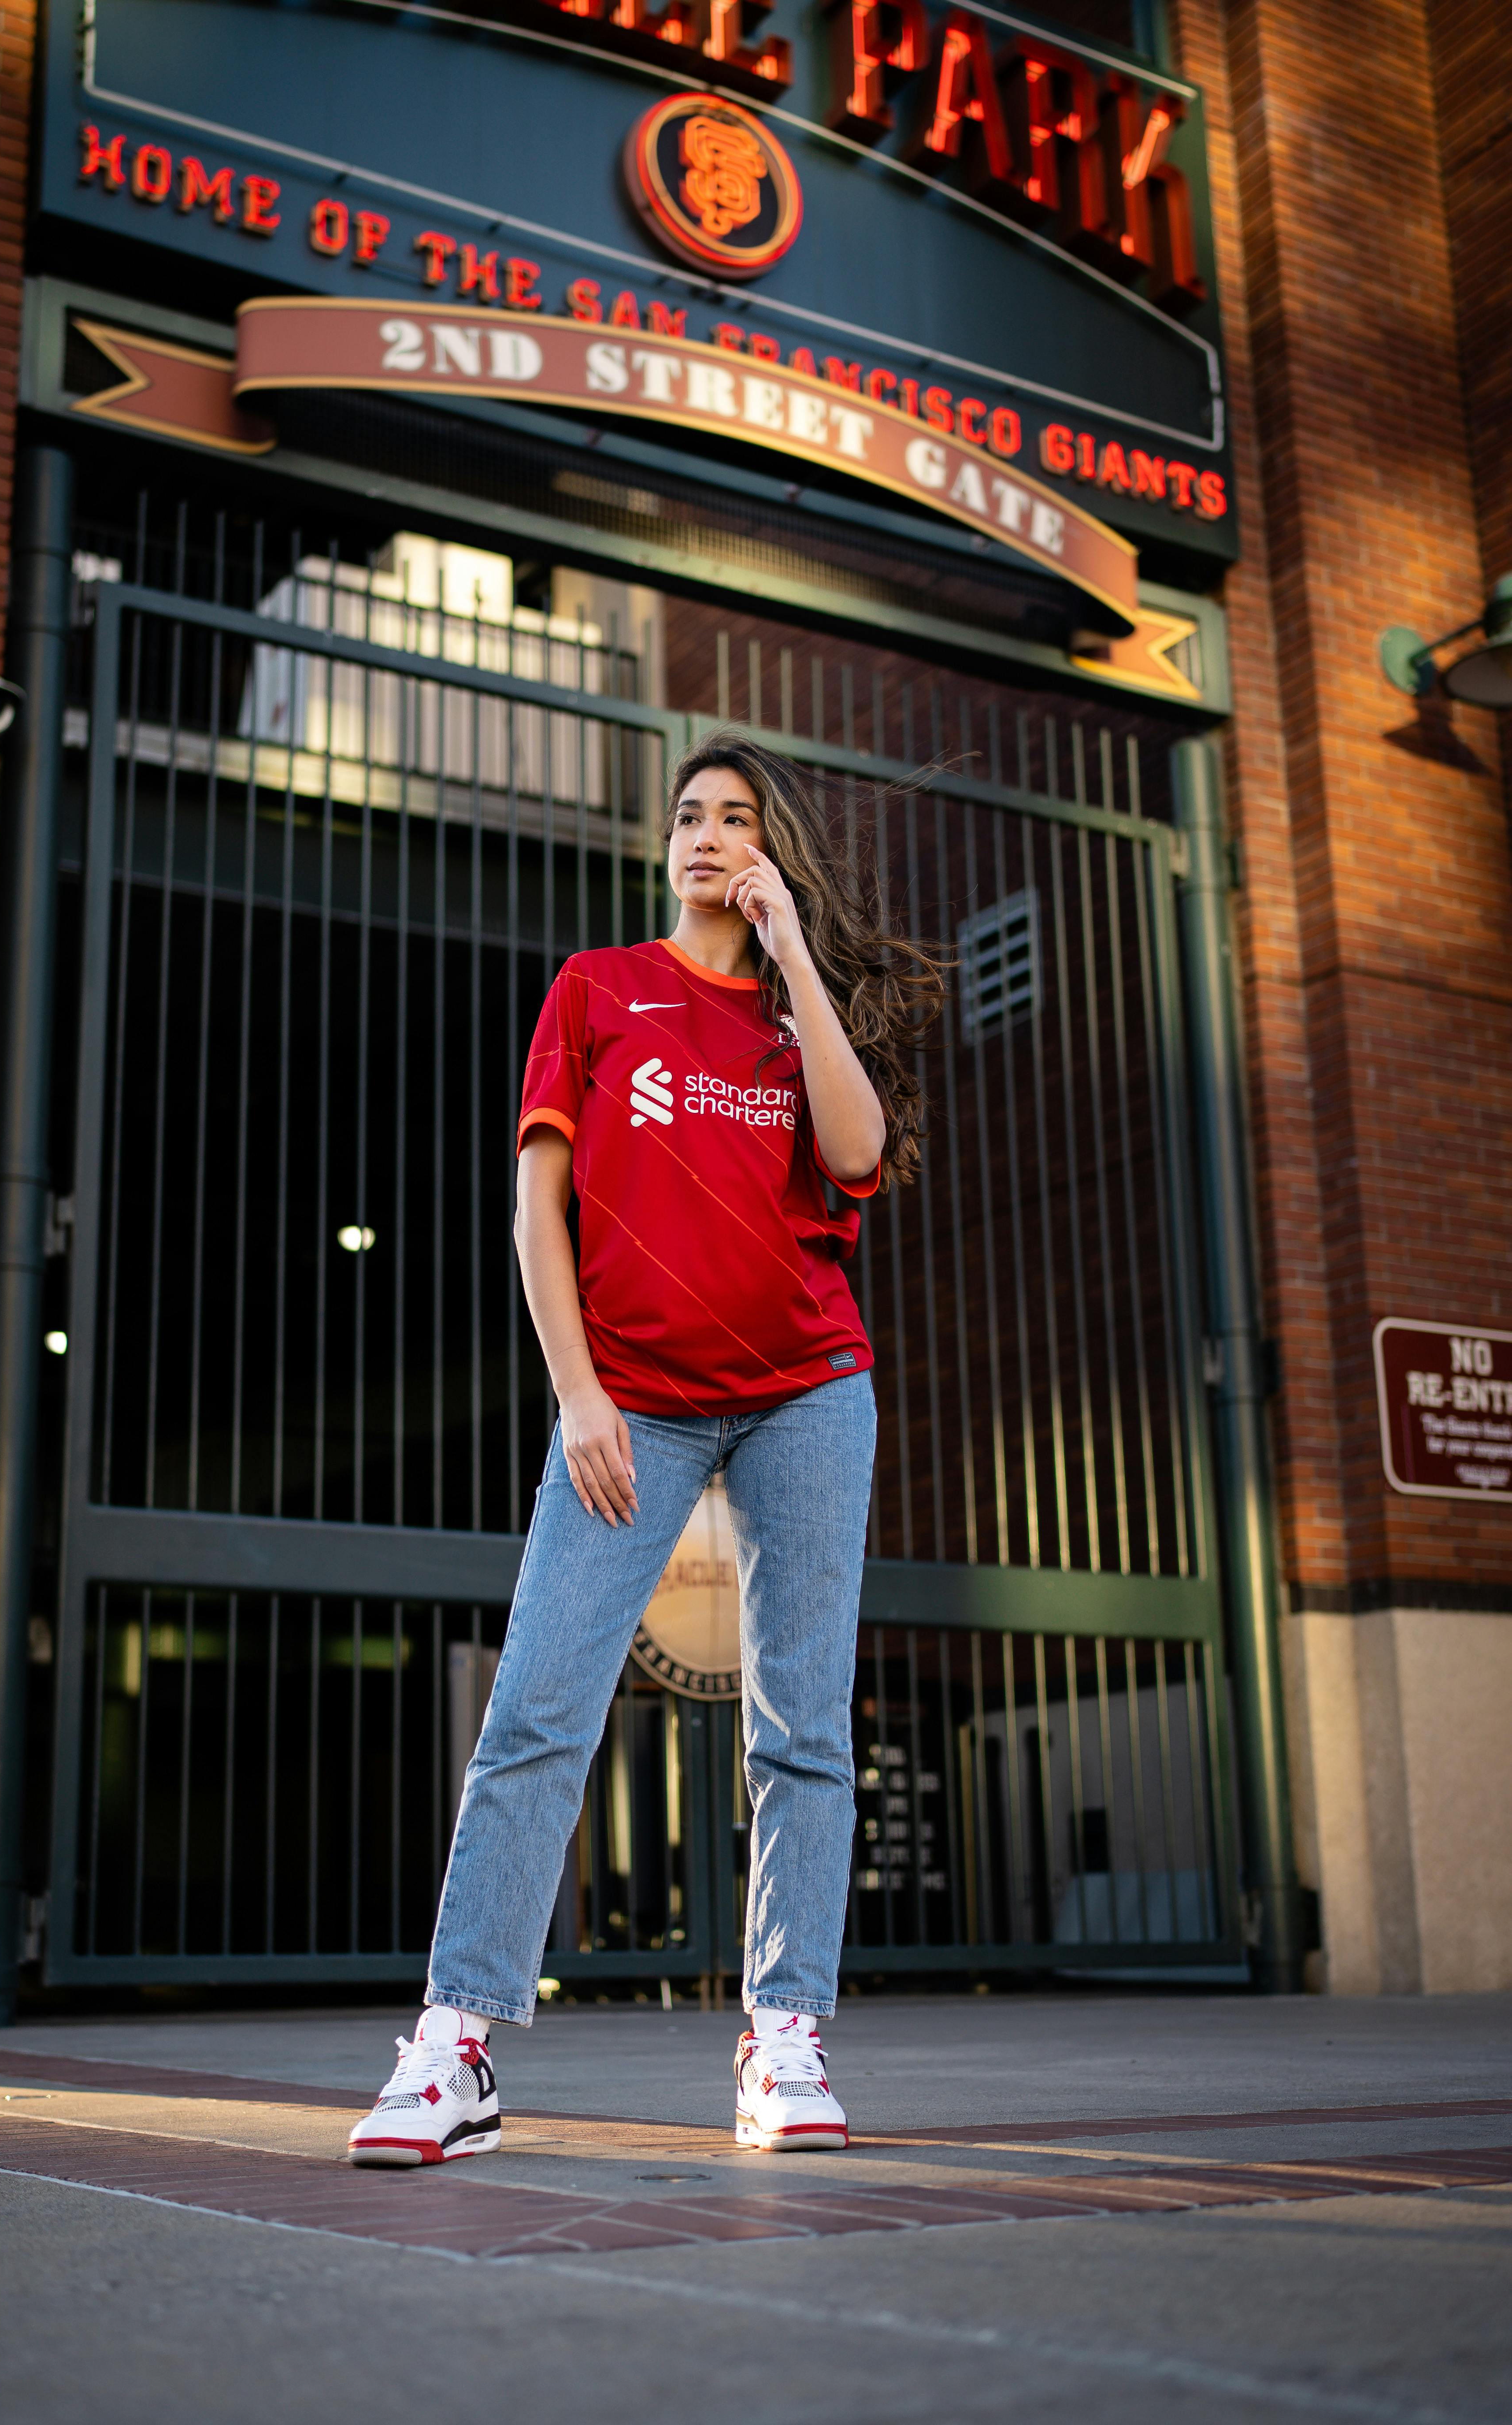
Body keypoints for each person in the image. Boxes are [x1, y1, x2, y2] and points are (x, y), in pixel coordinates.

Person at [347, 731, 942, 2168]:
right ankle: (456, 2046)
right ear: (661, 842)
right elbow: (535, 1213)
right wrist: (580, 1396)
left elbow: (856, 1162)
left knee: (802, 1729)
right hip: (637, 1402)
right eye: (690, 817)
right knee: (541, 1706)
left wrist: (797, 958)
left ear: (772, 853)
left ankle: (783, 2039)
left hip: (811, 1387)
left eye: (740, 822)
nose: (708, 838)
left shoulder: (804, 1021)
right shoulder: (599, 990)